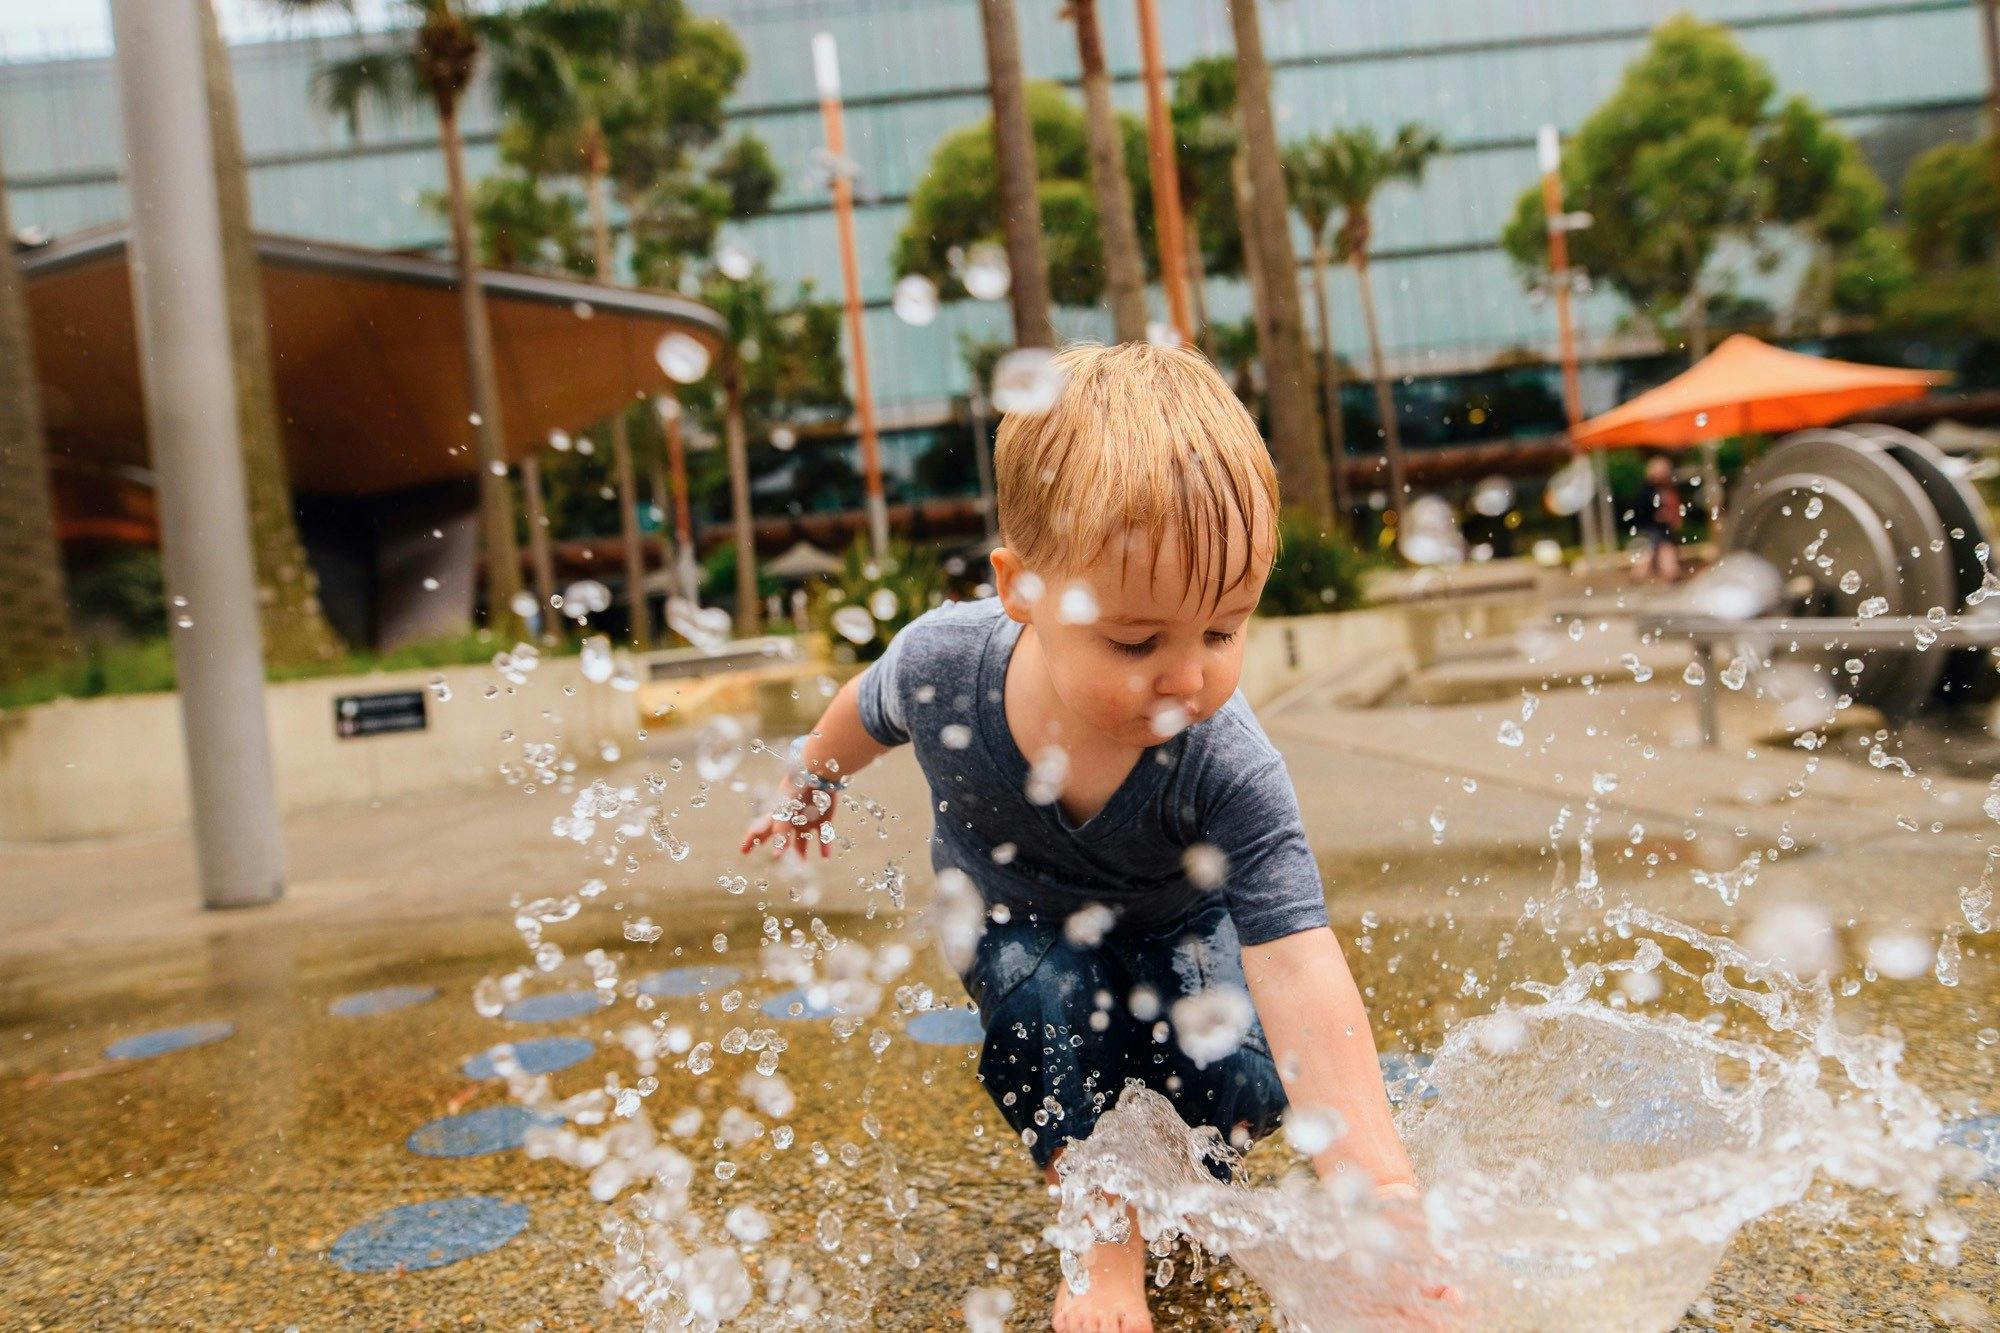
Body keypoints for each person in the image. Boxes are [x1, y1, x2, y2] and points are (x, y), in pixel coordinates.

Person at [742, 343, 1438, 1331]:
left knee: (1232, 1060)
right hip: (1013, 918)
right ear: (1021, 588)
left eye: (1222, 628)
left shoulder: (1224, 763)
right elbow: (866, 705)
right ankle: (1101, 1239)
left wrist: (1384, 1200)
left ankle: (1186, 1171)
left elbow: (1298, 970)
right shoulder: (947, 663)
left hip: (1176, 926)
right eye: (1135, 640)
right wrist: (809, 782)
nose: (1185, 677)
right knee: (1051, 1010)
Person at [1632, 454, 1685, 583]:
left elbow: (1674, 507)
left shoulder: (1666, 488)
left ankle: (1669, 574)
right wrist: (1657, 515)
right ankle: (1668, 574)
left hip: (1661, 528)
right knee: (1655, 551)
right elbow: (1640, 509)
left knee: (1660, 550)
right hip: (1651, 527)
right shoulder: (1648, 490)